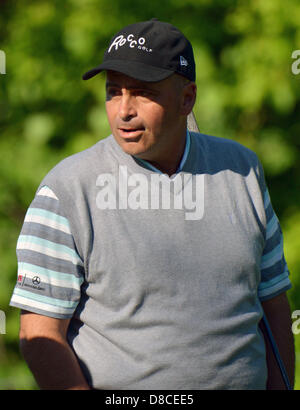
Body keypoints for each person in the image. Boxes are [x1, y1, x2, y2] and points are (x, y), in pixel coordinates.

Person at [10, 18, 294, 390]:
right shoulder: (66, 190)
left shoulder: (242, 171)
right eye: (113, 92)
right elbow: (39, 334)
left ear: (187, 98)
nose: (123, 110)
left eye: (142, 93)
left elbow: (273, 306)